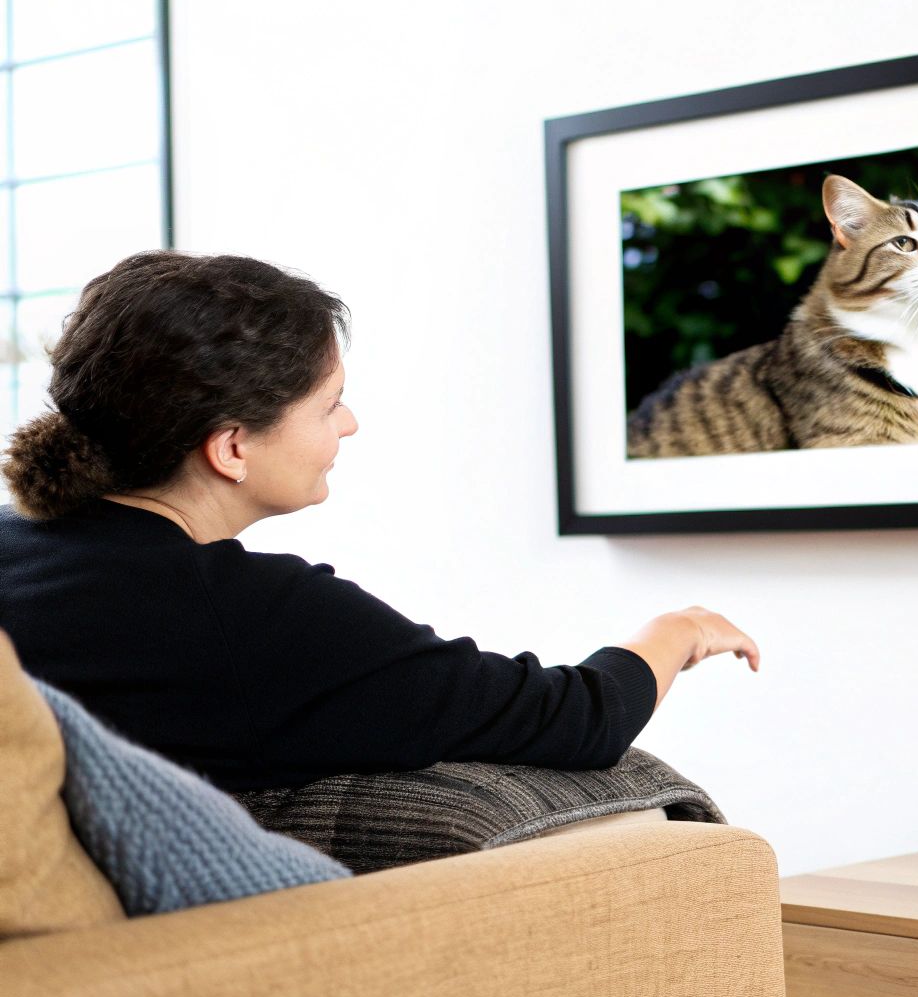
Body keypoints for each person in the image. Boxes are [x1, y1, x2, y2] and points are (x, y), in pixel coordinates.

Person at [0, 250, 758, 792]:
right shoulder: (259, 618)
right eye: (329, 404)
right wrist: (676, 631)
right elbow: (574, 721)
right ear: (232, 447)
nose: (351, 423)